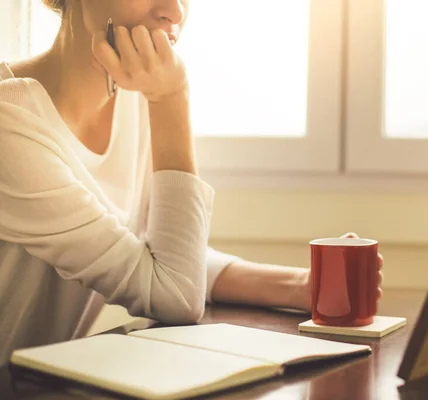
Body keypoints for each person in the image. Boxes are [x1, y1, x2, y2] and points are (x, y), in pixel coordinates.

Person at [0, 0, 384, 364]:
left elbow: (162, 257)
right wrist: (172, 95)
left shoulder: (133, 95)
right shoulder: (10, 121)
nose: (175, 11)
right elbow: (174, 294)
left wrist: (301, 285)